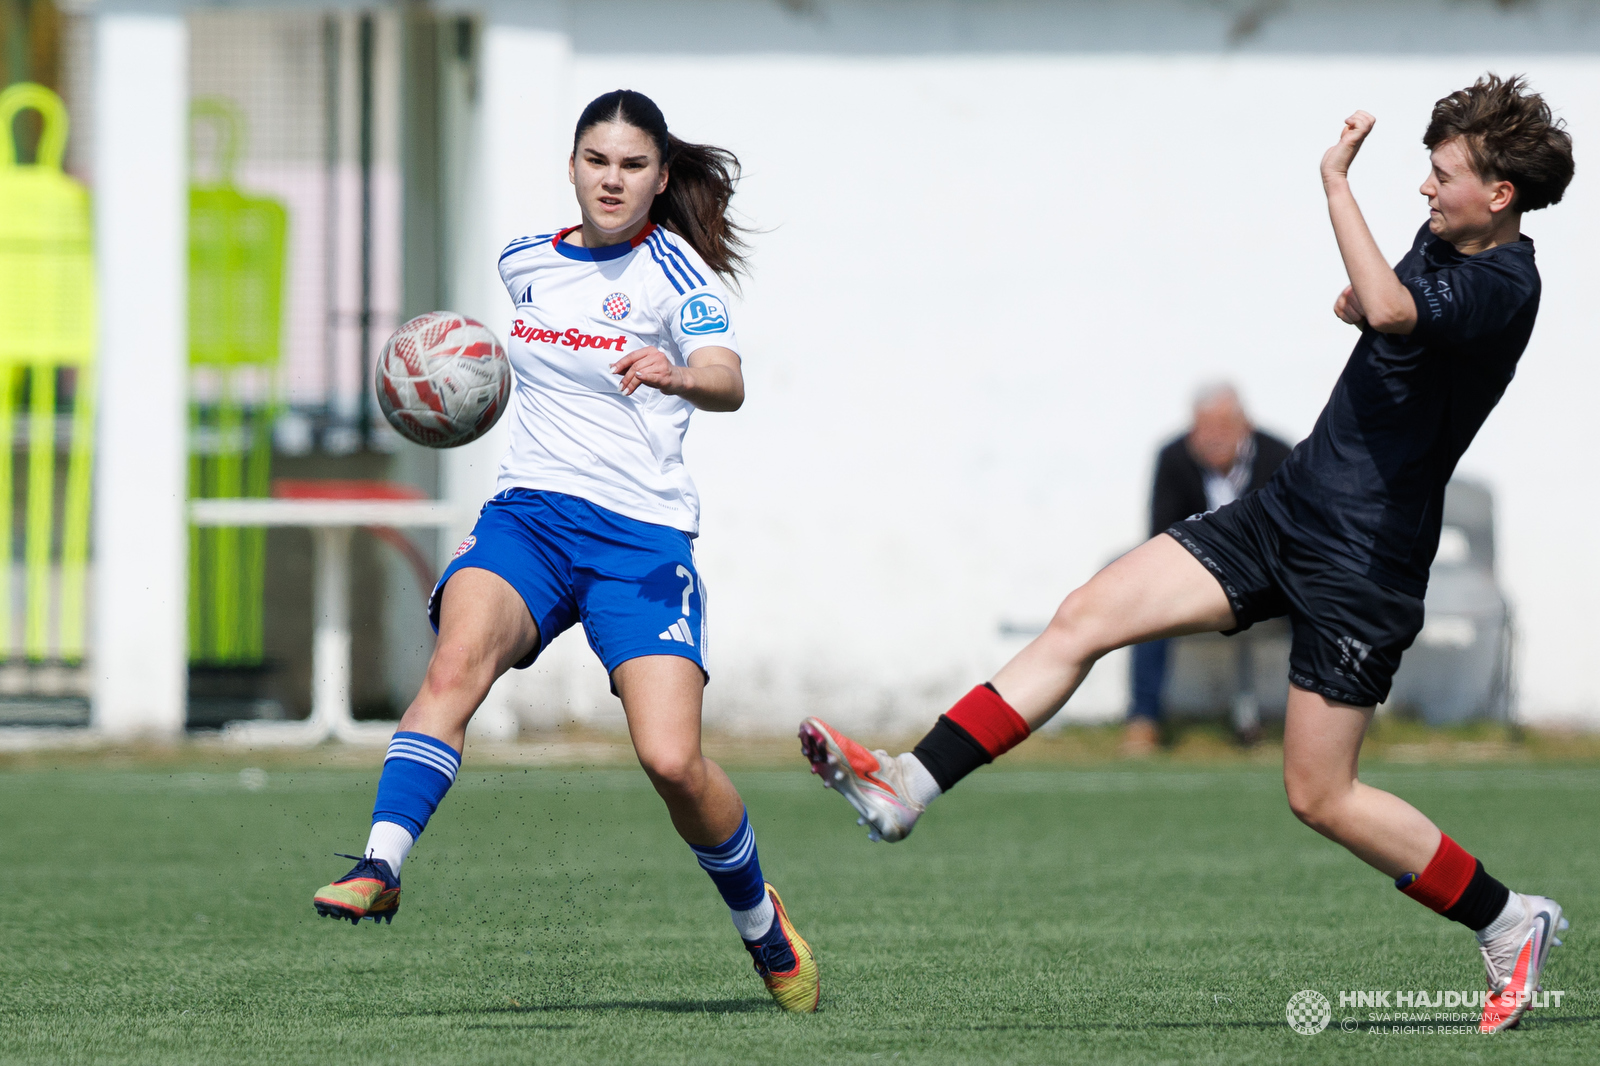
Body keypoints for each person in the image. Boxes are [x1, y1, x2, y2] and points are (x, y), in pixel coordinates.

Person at [799, 74, 1570, 1034]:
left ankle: (1508, 919)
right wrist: (1364, 298)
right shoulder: (1451, 239)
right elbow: (1391, 308)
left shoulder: (1510, 279)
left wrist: (1336, 183)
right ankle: (908, 786)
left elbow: (1399, 314)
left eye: (1443, 174)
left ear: (1500, 195)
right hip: (1285, 509)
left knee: (1319, 795)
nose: (1423, 187)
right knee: (1086, 615)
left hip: (1364, 559)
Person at [313, 89, 820, 1014]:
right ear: (574, 165)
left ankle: (761, 924)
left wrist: (678, 372)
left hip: (639, 538)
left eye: (633, 166)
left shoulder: (678, 276)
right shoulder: (523, 264)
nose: (613, 180)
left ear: (661, 177)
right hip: (529, 518)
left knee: (672, 762)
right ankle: (381, 861)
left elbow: (729, 378)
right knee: (456, 662)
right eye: (597, 161)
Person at [1124, 384, 1291, 753]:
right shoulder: (1173, 458)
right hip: (1196, 580)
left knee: (1319, 604)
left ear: (1245, 425)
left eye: (1223, 426)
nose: (1212, 437)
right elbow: (1162, 534)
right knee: (1146, 607)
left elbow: (1292, 532)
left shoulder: (1279, 455)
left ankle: (1320, 718)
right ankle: (1143, 720)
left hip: (1270, 581)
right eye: (1203, 427)